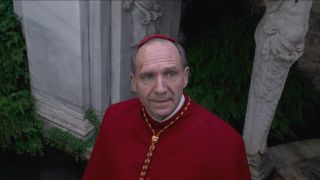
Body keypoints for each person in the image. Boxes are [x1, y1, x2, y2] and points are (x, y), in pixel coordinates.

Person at [82, 34, 251, 180]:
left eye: (170, 73)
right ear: (134, 83)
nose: (160, 89)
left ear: (185, 77)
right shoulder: (115, 118)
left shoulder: (225, 143)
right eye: (148, 76)